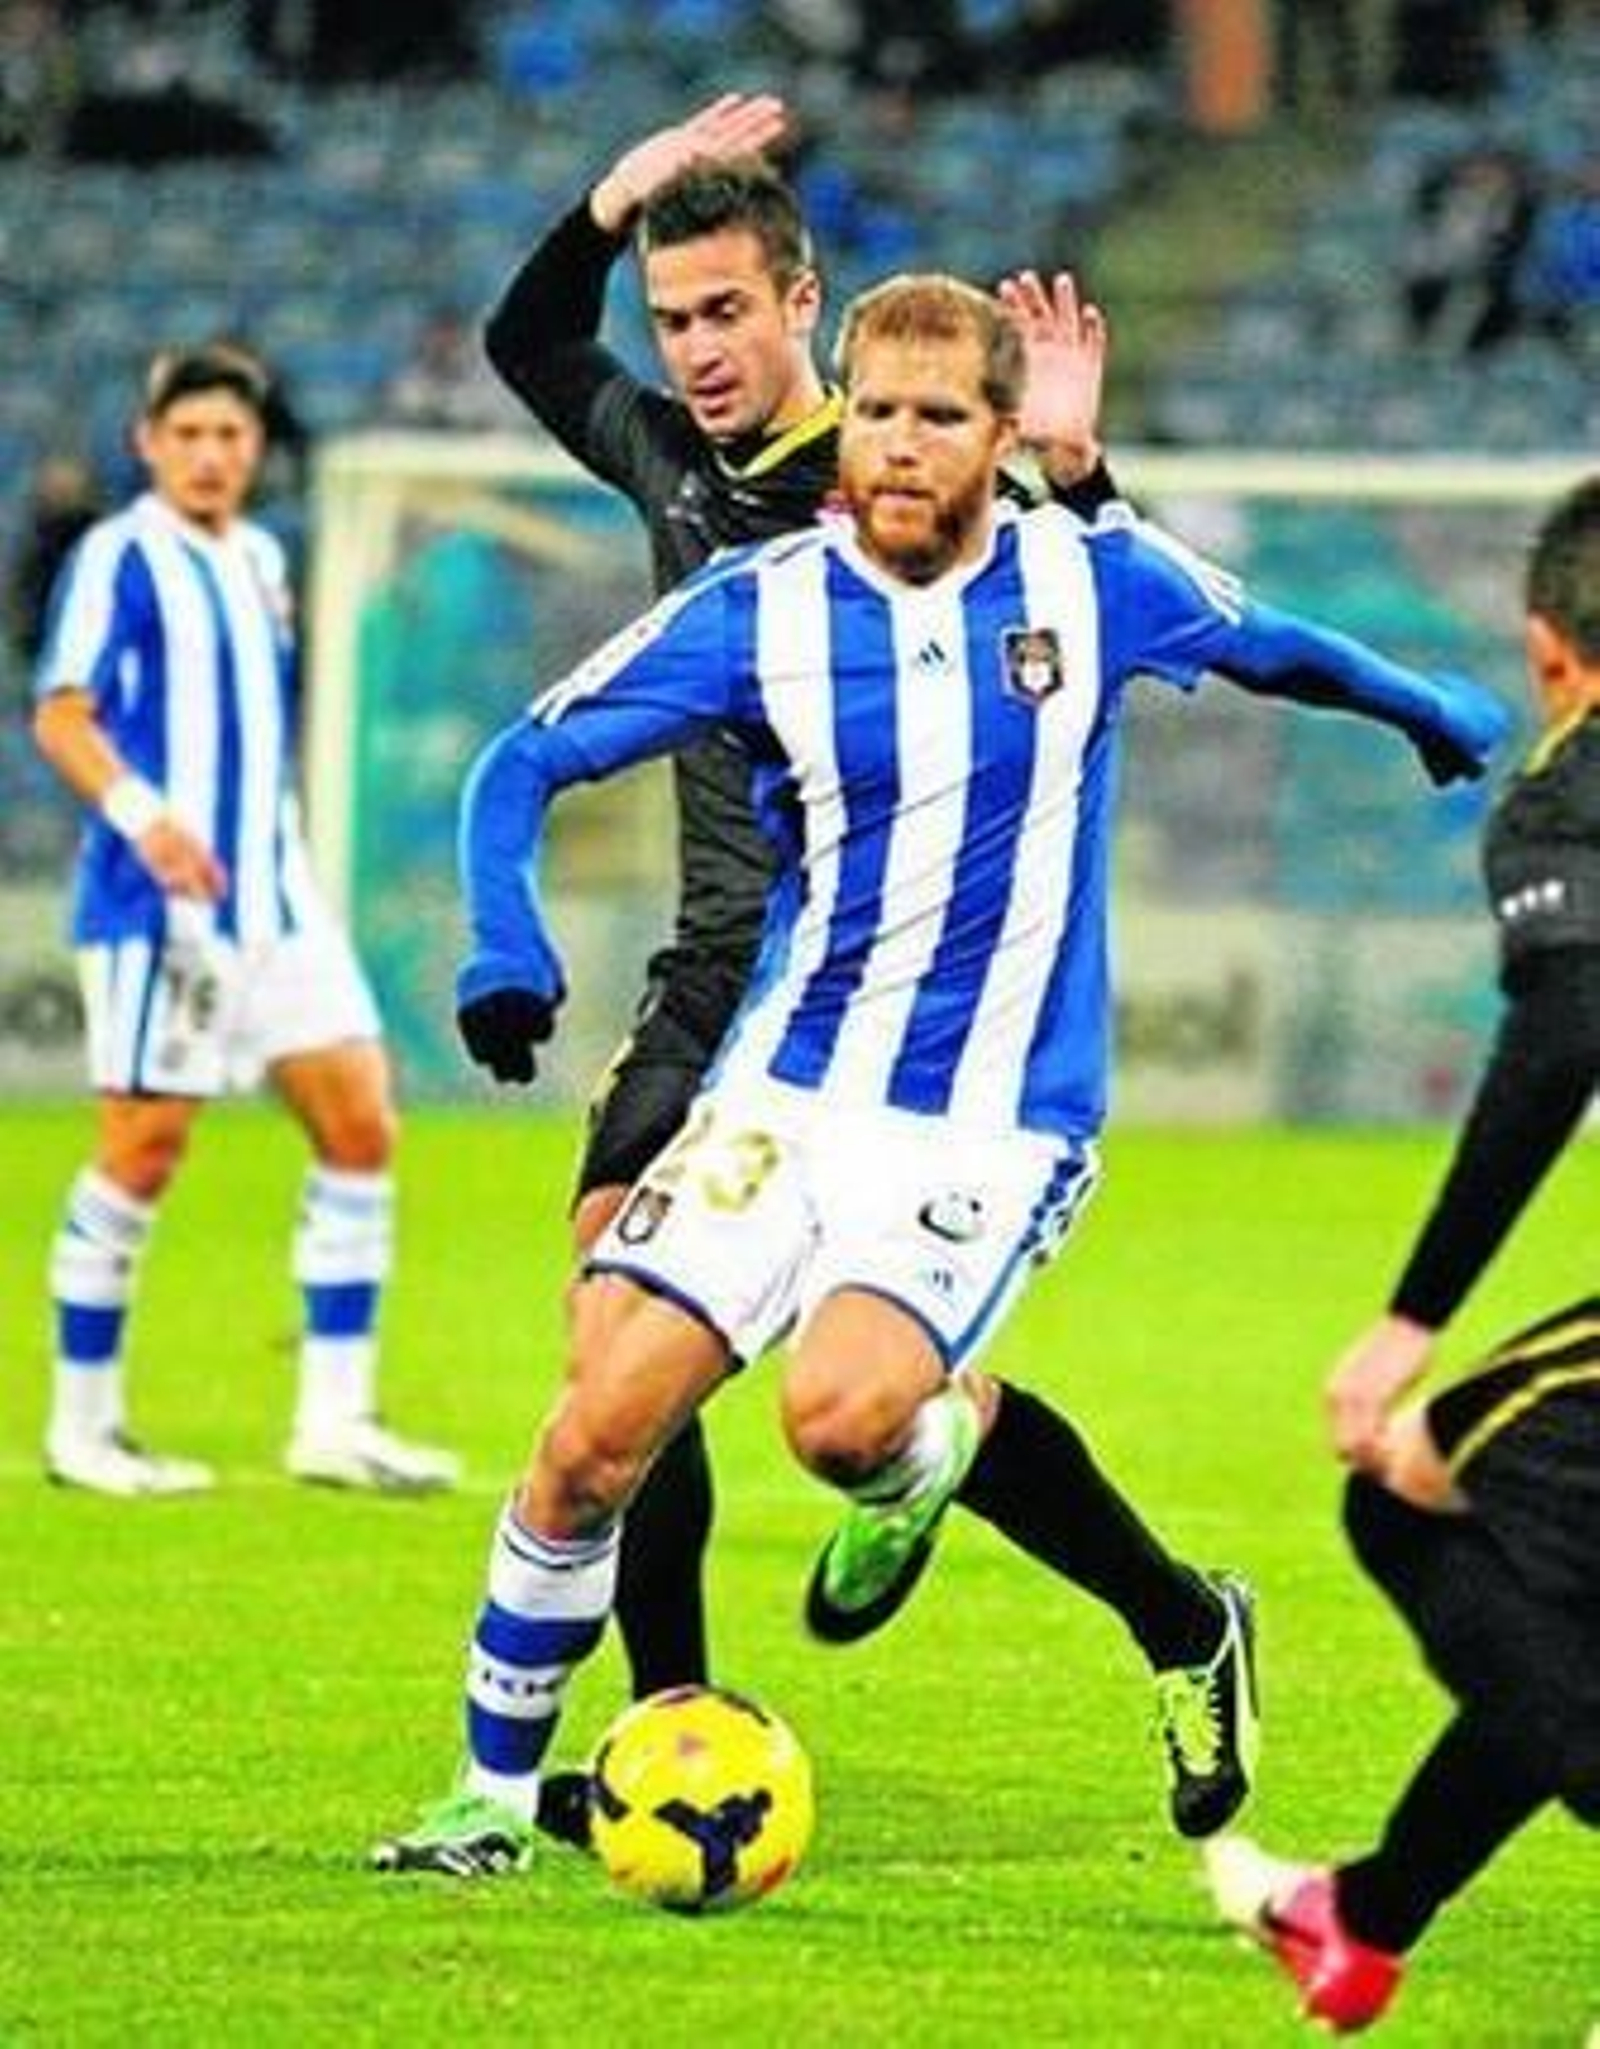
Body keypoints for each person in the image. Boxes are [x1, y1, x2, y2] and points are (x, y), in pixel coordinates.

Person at [370, 270, 1508, 1878]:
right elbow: (527, 754)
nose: (902, 446)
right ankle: (482, 1803)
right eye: (881, 410)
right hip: (779, 1089)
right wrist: (504, 938)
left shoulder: (1088, 576)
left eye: (943, 416)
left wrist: (1428, 708)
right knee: (587, 1436)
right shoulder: (762, 606)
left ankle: (973, 1480)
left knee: (835, 1426)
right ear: (849, 416)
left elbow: (1277, 642)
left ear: (1001, 434)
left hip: (991, 1112)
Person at [479, 92, 1239, 1853]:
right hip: (708, 982)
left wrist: (1077, 468)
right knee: (616, 1350)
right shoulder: (670, 460)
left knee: (864, 1399)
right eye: (673, 321)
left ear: (803, 301)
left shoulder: (910, 460)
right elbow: (525, 336)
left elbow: (1132, 601)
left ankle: (1169, 1610)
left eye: (728, 311)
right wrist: (620, 186)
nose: (698, 349)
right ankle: (669, 1720)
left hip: (891, 1015)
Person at [1206, 475, 1600, 2033]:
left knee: (1408, 1481)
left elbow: (1571, 1025)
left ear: (1544, 649)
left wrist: (1408, 1320)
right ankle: (1363, 1917)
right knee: (1569, 1579)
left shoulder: (1572, 789)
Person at [32, 341, 459, 1499]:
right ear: (148, 445)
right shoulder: (120, 556)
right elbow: (62, 714)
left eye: (231, 437)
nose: (212, 456)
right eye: (190, 437)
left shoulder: (263, 557)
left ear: (256, 450)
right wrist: (143, 816)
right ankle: (83, 1427)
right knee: (141, 1150)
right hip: (154, 906)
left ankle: (333, 1420)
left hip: (276, 898)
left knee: (362, 1126)